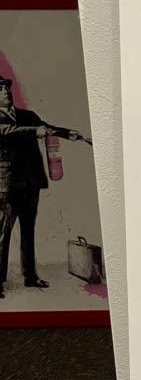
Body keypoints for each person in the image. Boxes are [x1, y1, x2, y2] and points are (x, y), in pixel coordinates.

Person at [0, 75, 86, 298]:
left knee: (28, 231)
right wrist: (34, 131)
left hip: (31, 183)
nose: (6, 92)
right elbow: (8, 131)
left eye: (7, 88)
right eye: (0, 89)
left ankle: (30, 276)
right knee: (3, 234)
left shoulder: (27, 115)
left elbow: (45, 128)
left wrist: (66, 133)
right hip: (7, 185)